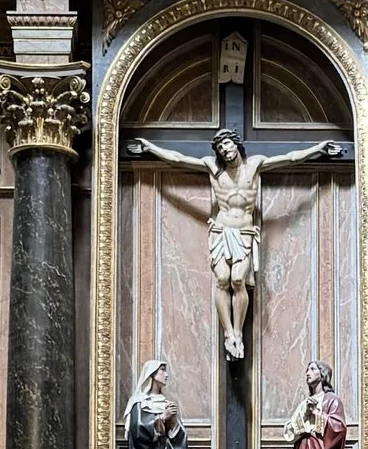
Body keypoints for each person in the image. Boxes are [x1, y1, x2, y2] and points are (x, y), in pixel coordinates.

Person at [126, 126, 349, 364]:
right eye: (220, 148)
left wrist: (317, 149)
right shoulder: (213, 168)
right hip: (222, 230)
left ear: (236, 144)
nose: (225, 150)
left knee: (237, 280)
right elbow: (179, 159)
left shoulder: (254, 165)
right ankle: (228, 332)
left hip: (243, 232)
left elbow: (290, 158)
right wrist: (150, 148)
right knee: (222, 279)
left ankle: (239, 332)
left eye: (228, 145)